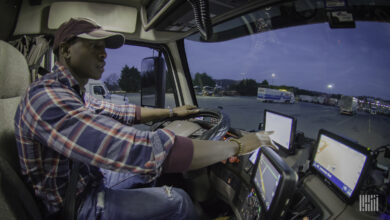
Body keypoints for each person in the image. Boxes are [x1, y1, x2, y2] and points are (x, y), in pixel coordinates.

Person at [14, 17, 274, 220]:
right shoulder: (48, 98)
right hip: (75, 205)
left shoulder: (70, 93)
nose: (104, 54)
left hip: (86, 180)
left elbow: (122, 112)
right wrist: (238, 145)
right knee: (179, 200)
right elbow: (136, 149)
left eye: (104, 48)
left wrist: (172, 113)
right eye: (94, 46)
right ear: (65, 49)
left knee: (151, 176)